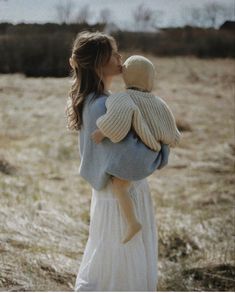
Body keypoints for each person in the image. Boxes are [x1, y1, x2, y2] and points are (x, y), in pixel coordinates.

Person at [66, 31, 170, 291]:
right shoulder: (102, 106)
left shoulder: (97, 101)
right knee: (121, 267)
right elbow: (127, 157)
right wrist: (160, 151)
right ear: (100, 62)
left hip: (116, 197)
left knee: (113, 261)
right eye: (114, 53)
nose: (120, 57)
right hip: (121, 201)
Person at [91, 55, 181, 244]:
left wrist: (102, 132)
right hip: (154, 157)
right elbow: (172, 132)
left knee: (119, 186)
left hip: (136, 160)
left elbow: (118, 123)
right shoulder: (159, 103)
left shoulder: (122, 98)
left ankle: (132, 223)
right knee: (128, 184)